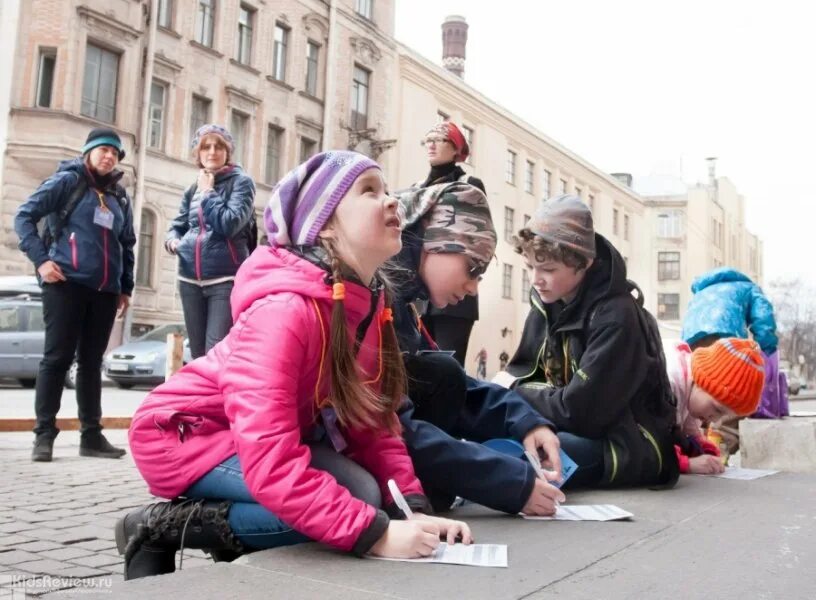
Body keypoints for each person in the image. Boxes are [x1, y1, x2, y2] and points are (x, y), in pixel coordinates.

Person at [116, 151, 472, 580]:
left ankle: (239, 542)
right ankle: (158, 527)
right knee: (351, 500)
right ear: (324, 226)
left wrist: (410, 510)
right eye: (369, 192)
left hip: (240, 438)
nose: (392, 200)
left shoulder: (363, 307)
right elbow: (271, 457)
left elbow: (373, 422)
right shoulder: (284, 311)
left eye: (388, 190)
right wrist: (375, 534)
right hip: (184, 436)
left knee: (361, 495)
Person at [391, 175, 566, 516]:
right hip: (317, 447)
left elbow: (451, 385)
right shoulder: (375, 292)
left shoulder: (399, 298)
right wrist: (507, 483)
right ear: (435, 242)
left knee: (440, 371)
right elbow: (390, 424)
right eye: (472, 268)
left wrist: (527, 421)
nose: (472, 288)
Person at [500, 195, 679, 488]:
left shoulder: (617, 316)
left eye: (548, 270)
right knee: (489, 438)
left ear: (583, 263)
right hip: (565, 426)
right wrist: (517, 393)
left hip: (627, 445)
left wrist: (515, 391)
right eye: (531, 267)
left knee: (523, 456)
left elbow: (581, 412)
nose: (536, 279)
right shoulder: (545, 305)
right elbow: (522, 378)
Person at [14, 127, 135, 462]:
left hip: (105, 292)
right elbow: (23, 217)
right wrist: (41, 261)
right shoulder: (67, 182)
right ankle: (43, 435)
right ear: (88, 152)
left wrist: (125, 286)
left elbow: (127, 244)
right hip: (65, 284)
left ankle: (91, 436)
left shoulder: (119, 196)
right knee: (56, 359)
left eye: (115, 153)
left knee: (92, 364)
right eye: (103, 150)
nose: (109, 157)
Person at [165, 124, 256, 359]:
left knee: (216, 353)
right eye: (206, 147)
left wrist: (208, 193)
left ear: (228, 152)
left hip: (224, 280)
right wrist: (174, 242)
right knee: (197, 355)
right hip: (189, 279)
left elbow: (230, 224)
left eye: (218, 147)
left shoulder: (241, 183)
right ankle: (202, 398)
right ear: (198, 153)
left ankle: (218, 397)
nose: (212, 152)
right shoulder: (192, 189)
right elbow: (177, 226)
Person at [681, 267, 782, 451]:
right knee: (728, 398)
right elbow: (763, 318)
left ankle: (695, 445)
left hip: (692, 343)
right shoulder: (748, 287)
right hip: (726, 341)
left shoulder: (702, 291)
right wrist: (767, 348)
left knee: (699, 400)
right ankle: (719, 450)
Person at [412, 121, 484, 367]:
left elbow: (477, 240)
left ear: (456, 148)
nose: (431, 144)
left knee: (449, 368)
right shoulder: (417, 188)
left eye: (439, 139)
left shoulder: (469, 184)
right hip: (420, 294)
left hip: (455, 296)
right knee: (418, 367)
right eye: (427, 139)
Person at [665, 338, 765, 475]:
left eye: (722, 415)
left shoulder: (689, 387)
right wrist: (685, 464)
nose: (714, 419)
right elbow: (647, 446)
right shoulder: (667, 383)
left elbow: (687, 428)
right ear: (701, 380)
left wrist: (702, 448)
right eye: (717, 409)